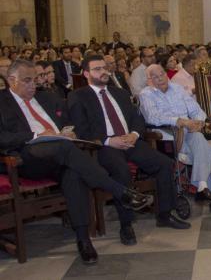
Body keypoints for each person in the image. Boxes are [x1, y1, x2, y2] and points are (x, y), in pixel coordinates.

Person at [2, 59, 153, 264]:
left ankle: (83, 241)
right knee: (66, 149)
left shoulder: (46, 97)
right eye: (27, 81)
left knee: (74, 173)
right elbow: (3, 138)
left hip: (62, 155)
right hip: (27, 158)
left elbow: (66, 122)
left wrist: (68, 132)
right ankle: (121, 191)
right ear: (12, 80)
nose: (32, 85)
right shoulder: (3, 103)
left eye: (35, 80)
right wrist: (35, 135)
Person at [69, 55, 191, 247]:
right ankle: (126, 225)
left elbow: (138, 118)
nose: (103, 72)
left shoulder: (119, 93)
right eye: (97, 69)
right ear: (86, 74)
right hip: (104, 147)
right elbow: (82, 129)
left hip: (131, 141)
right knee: (121, 171)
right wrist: (109, 140)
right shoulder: (79, 96)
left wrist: (134, 134)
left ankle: (165, 214)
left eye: (104, 68)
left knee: (164, 164)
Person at [139, 65, 211, 217]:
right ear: (149, 81)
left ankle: (202, 187)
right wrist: (179, 121)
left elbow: (196, 109)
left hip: (190, 131)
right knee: (203, 152)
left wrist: (199, 122)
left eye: (162, 74)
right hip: (167, 136)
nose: (161, 78)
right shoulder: (146, 94)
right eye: (155, 76)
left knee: (200, 137)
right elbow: (152, 117)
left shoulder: (177, 89)